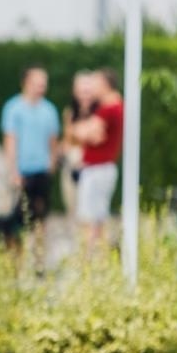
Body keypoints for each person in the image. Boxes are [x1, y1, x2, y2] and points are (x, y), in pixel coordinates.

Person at [0, 66, 60, 254]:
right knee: (18, 219)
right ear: (26, 83)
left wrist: (51, 164)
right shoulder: (13, 108)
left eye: (43, 84)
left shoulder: (49, 110)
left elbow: (53, 141)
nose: (41, 88)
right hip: (22, 172)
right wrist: (13, 171)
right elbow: (10, 141)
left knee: (41, 219)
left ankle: (39, 262)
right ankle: (16, 261)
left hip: (41, 171)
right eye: (37, 83)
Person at [68, 68, 124, 249]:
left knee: (90, 221)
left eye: (95, 83)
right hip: (99, 169)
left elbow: (89, 134)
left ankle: (89, 262)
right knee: (97, 219)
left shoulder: (108, 108)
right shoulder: (109, 107)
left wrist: (78, 129)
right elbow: (89, 133)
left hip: (97, 170)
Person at [60, 71, 99, 215]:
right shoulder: (70, 113)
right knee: (73, 208)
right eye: (82, 91)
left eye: (88, 91)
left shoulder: (99, 113)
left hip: (91, 166)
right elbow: (67, 140)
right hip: (72, 166)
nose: (85, 95)